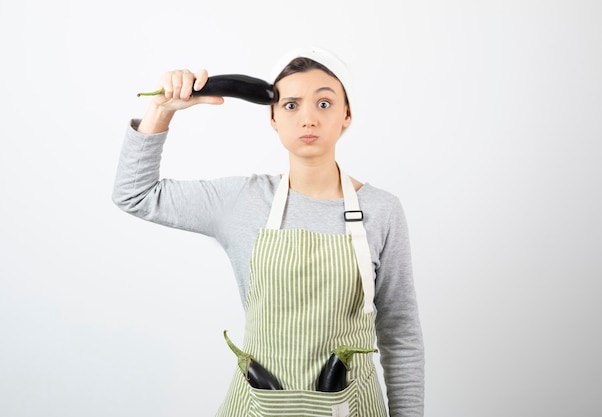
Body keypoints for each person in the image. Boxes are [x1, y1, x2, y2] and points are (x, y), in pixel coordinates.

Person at [113, 46, 425, 416]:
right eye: (291, 105)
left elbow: (400, 334)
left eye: (323, 103)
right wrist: (161, 110)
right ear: (273, 118)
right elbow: (135, 194)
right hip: (257, 406)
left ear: (347, 114)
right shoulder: (243, 200)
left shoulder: (381, 210)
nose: (307, 118)